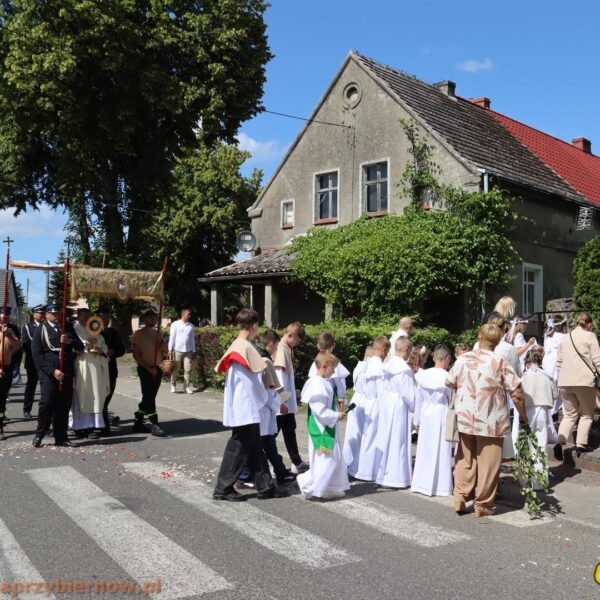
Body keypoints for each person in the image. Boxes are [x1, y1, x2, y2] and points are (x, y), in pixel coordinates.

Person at [446, 324, 527, 517]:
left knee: (465, 459)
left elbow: (449, 382)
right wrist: (523, 416)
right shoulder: (499, 361)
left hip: (466, 417)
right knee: (489, 464)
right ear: (497, 341)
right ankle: (482, 504)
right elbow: (516, 394)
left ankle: (460, 496)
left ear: (479, 337)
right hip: (491, 420)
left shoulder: (463, 359)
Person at [212, 308, 287, 502]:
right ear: (254, 325)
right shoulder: (244, 347)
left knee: (254, 447)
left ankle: (265, 486)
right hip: (247, 406)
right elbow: (252, 383)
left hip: (244, 405)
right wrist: (267, 399)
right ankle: (223, 488)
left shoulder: (238, 345)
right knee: (238, 447)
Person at [31, 302, 84, 448]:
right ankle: (40, 434)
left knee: (63, 405)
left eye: (58, 313)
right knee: (47, 403)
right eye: (53, 314)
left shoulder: (67, 328)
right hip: (49, 373)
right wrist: (52, 371)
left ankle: (61, 437)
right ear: (47, 314)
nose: (57, 316)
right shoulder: (41, 329)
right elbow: (37, 354)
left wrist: (70, 341)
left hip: (66, 372)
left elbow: (80, 346)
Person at [297, 351, 349, 500]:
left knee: (332, 458)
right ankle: (309, 485)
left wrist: (338, 412)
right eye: (332, 368)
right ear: (324, 366)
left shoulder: (322, 382)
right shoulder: (317, 385)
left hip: (327, 426)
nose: (334, 372)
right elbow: (320, 411)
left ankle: (327, 487)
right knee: (327, 460)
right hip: (322, 429)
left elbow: (332, 402)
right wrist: (336, 415)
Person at [554, 312, 600, 458]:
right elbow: (597, 360)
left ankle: (559, 442)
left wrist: (560, 379)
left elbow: (559, 362)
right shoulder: (590, 336)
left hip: (565, 381)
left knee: (569, 415)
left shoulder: (566, 337)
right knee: (586, 414)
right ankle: (581, 445)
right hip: (584, 381)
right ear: (589, 324)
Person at [411, 345, 453, 497]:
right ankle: (441, 485)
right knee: (442, 449)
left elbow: (419, 399)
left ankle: (421, 482)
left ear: (434, 358)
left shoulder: (424, 375)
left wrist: (417, 420)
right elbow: (451, 398)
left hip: (426, 412)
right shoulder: (448, 377)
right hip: (442, 412)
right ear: (447, 358)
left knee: (425, 448)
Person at [375, 336, 415, 489]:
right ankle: (396, 477)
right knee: (398, 439)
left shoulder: (388, 365)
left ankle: (383, 474)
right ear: (406, 349)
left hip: (387, 402)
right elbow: (408, 394)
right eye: (410, 351)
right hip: (398, 404)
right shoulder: (404, 369)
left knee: (386, 437)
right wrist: (414, 408)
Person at [70, 308, 111, 439]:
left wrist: (99, 350)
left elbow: (104, 349)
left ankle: (92, 427)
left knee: (95, 396)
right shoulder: (74, 331)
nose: (88, 319)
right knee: (81, 394)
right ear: (78, 317)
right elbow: (70, 347)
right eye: (85, 316)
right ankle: (78, 427)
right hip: (81, 367)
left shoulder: (97, 332)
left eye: (89, 316)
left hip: (96, 369)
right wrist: (83, 346)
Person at [517, 348, 555, 490]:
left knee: (525, 445)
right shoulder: (547, 375)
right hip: (542, 410)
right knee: (541, 445)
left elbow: (518, 394)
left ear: (527, 361)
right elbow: (555, 394)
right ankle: (539, 481)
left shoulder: (523, 376)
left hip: (527, 411)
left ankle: (525, 479)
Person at [274, 321, 308, 474]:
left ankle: (296, 462)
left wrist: (294, 394)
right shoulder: (281, 349)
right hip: (282, 402)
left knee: (289, 430)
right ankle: (253, 466)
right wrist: (284, 400)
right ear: (290, 335)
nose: (298, 343)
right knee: (271, 435)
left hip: (286, 399)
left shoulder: (287, 348)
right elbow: (280, 379)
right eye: (297, 340)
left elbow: (288, 379)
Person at [353, 336, 389, 481]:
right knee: (372, 438)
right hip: (376, 403)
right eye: (387, 351)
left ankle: (362, 468)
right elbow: (381, 390)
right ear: (384, 349)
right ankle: (368, 471)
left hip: (368, 401)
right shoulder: (379, 367)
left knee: (367, 436)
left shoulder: (367, 363)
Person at [132, 308, 168, 437]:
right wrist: (148, 368)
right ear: (145, 319)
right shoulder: (139, 334)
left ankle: (138, 418)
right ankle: (154, 423)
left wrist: (161, 341)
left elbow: (166, 350)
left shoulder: (158, 333)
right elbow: (136, 355)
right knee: (149, 396)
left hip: (157, 368)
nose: (153, 320)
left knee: (149, 396)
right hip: (145, 368)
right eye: (150, 317)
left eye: (154, 318)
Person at [343, 344, 372, 475]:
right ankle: (355, 462)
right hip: (362, 399)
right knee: (358, 432)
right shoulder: (364, 367)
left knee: (354, 431)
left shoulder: (359, 366)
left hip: (357, 398)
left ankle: (351, 460)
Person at [98, 305, 126, 436]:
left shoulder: (113, 332)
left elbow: (122, 349)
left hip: (110, 369)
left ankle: (103, 423)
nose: (105, 319)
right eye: (103, 317)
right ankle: (102, 426)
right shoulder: (92, 331)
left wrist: (113, 351)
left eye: (107, 317)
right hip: (97, 369)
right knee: (99, 398)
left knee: (108, 395)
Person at [308, 332, 351, 403]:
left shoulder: (315, 363)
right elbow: (341, 387)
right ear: (334, 345)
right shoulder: (334, 363)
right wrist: (341, 404)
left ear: (318, 346)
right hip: (329, 400)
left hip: (314, 399)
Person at [0, 310, 22, 440]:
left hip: (6, 368)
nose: (5, 319)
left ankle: (0, 424)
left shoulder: (9, 331)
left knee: (2, 400)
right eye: (3, 317)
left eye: (6, 317)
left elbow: (18, 346)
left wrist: (8, 335)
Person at [21, 305, 45, 419]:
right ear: (34, 315)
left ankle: (44, 411)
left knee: (46, 388)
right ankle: (27, 409)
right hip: (32, 361)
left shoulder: (46, 326)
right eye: (39, 313)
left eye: (42, 313)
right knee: (31, 386)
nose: (41, 315)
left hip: (45, 361)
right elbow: (25, 344)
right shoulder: (27, 327)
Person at [168, 307, 196, 394]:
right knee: (176, 369)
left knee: (188, 369)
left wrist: (194, 350)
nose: (189, 316)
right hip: (177, 350)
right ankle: (173, 385)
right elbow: (172, 337)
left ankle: (186, 387)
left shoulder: (191, 326)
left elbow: (192, 339)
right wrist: (170, 349)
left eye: (190, 314)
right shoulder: (175, 324)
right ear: (183, 314)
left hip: (188, 350)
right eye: (188, 314)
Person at [542, 315, 567, 383]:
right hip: (556, 360)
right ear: (561, 326)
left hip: (547, 360)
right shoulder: (561, 336)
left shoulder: (547, 335)